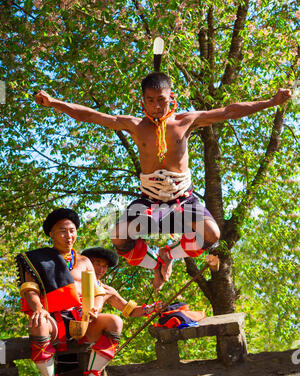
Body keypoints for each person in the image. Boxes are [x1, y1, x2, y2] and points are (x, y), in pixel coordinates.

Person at [34, 77, 291, 291]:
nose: (156, 106)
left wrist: (270, 102)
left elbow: (228, 111)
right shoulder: (135, 125)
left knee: (213, 235)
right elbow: (92, 116)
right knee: (118, 236)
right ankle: (154, 263)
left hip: (183, 198)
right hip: (150, 199)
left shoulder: (186, 121)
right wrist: (55, 103)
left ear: (172, 98)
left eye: (161, 100)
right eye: (150, 100)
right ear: (143, 101)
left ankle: (169, 254)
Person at [16, 208, 124, 376]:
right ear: (52, 234)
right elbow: (29, 290)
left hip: (81, 320)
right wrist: (39, 308)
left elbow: (98, 291)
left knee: (115, 322)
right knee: (38, 323)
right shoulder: (36, 260)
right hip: (53, 319)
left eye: (72, 230)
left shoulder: (84, 261)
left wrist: (95, 309)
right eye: (63, 231)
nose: (69, 236)